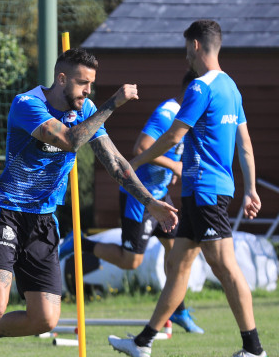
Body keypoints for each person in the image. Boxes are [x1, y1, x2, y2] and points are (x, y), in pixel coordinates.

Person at [0, 48, 179, 357]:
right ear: (61, 79)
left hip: (44, 222)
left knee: (45, 319)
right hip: (8, 213)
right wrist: (113, 104)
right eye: (83, 83)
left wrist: (151, 202)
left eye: (93, 85)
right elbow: (69, 140)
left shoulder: (87, 110)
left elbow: (116, 163)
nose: (88, 92)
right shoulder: (26, 104)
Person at [108, 19, 267, 357]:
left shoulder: (200, 88)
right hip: (203, 191)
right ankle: (144, 342)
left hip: (207, 191)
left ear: (196, 45)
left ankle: (253, 349)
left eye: (186, 50)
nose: (186, 58)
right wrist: (251, 188)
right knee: (178, 268)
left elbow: (173, 136)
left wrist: (135, 162)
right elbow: (246, 146)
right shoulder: (232, 88)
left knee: (225, 267)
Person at [81, 69, 204, 334]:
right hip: (139, 196)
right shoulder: (167, 113)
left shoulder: (186, 115)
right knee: (131, 262)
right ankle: (81, 245)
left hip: (160, 194)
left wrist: (169, 171)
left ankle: (179, 311)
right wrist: (175, 166)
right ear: (189, 91)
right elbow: (141, 148)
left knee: (177, 253)